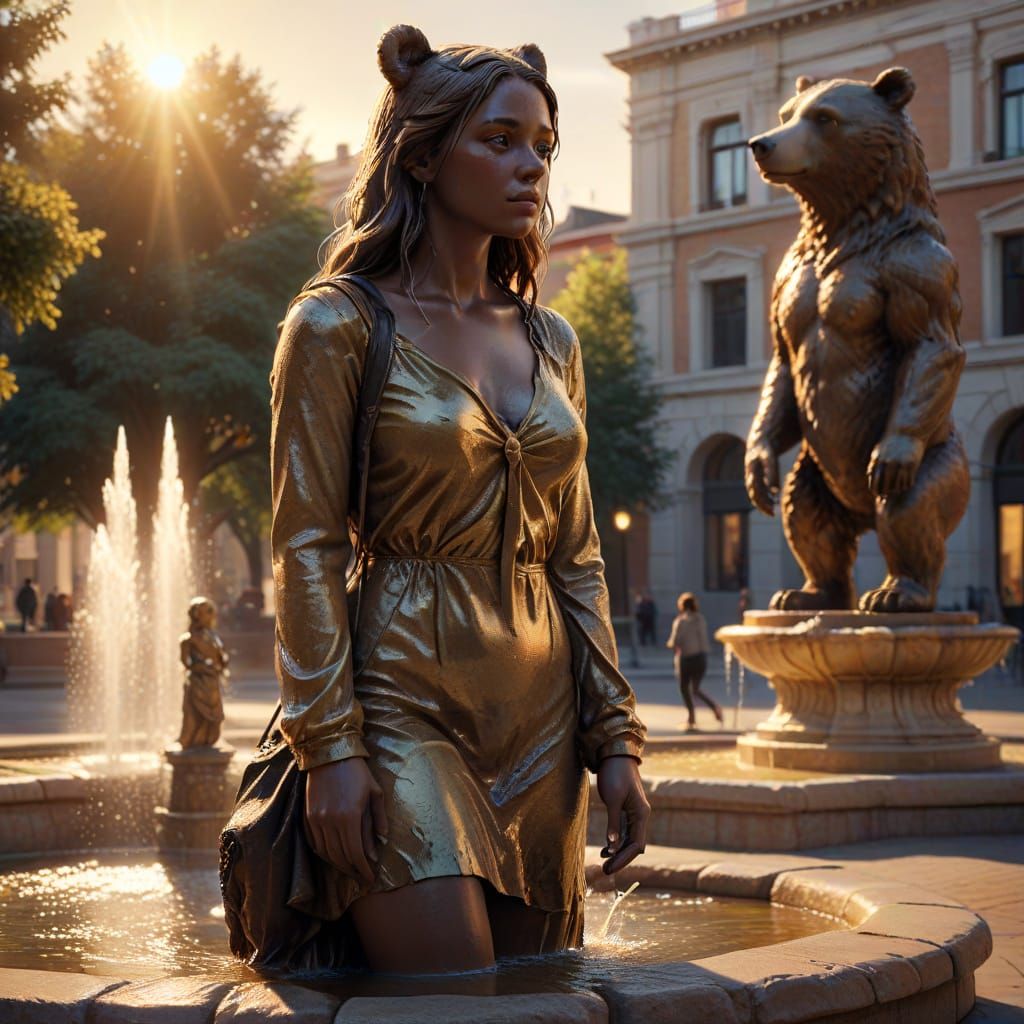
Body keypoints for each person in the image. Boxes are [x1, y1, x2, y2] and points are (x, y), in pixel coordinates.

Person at [268, 25, 648, 975]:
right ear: (426, 154)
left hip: (542, 723)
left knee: (533, 989)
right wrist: (329, 748)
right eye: (502, 140)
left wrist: (617, 738)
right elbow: (306, 544)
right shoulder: (336, 324)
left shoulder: (553, 337)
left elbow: (577, 554)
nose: (532, 168)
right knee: (456, 988)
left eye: (545, 148)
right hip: (403, 703)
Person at [666, 592, 723, 731]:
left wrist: (672, 645)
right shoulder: (700, 619)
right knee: (696, 689)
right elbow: (704, 641)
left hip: (685, 659)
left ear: (681, 605)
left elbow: (674, 642)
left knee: (685, 689)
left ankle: (691, 719)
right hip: (700, 659)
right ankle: (715, 707)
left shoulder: (680, 621)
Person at [178, 597, 229, 749]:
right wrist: (199, 667)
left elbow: (222, 657)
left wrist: (221, 664)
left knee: (215, 718)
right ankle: (192, 741)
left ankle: (208, 740)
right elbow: (185, 662)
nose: (212, 616)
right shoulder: (188, 640)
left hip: (211, 683)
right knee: (194, 716)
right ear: (197, 615)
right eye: (208, 612)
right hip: (197, 683)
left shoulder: (213, 637)